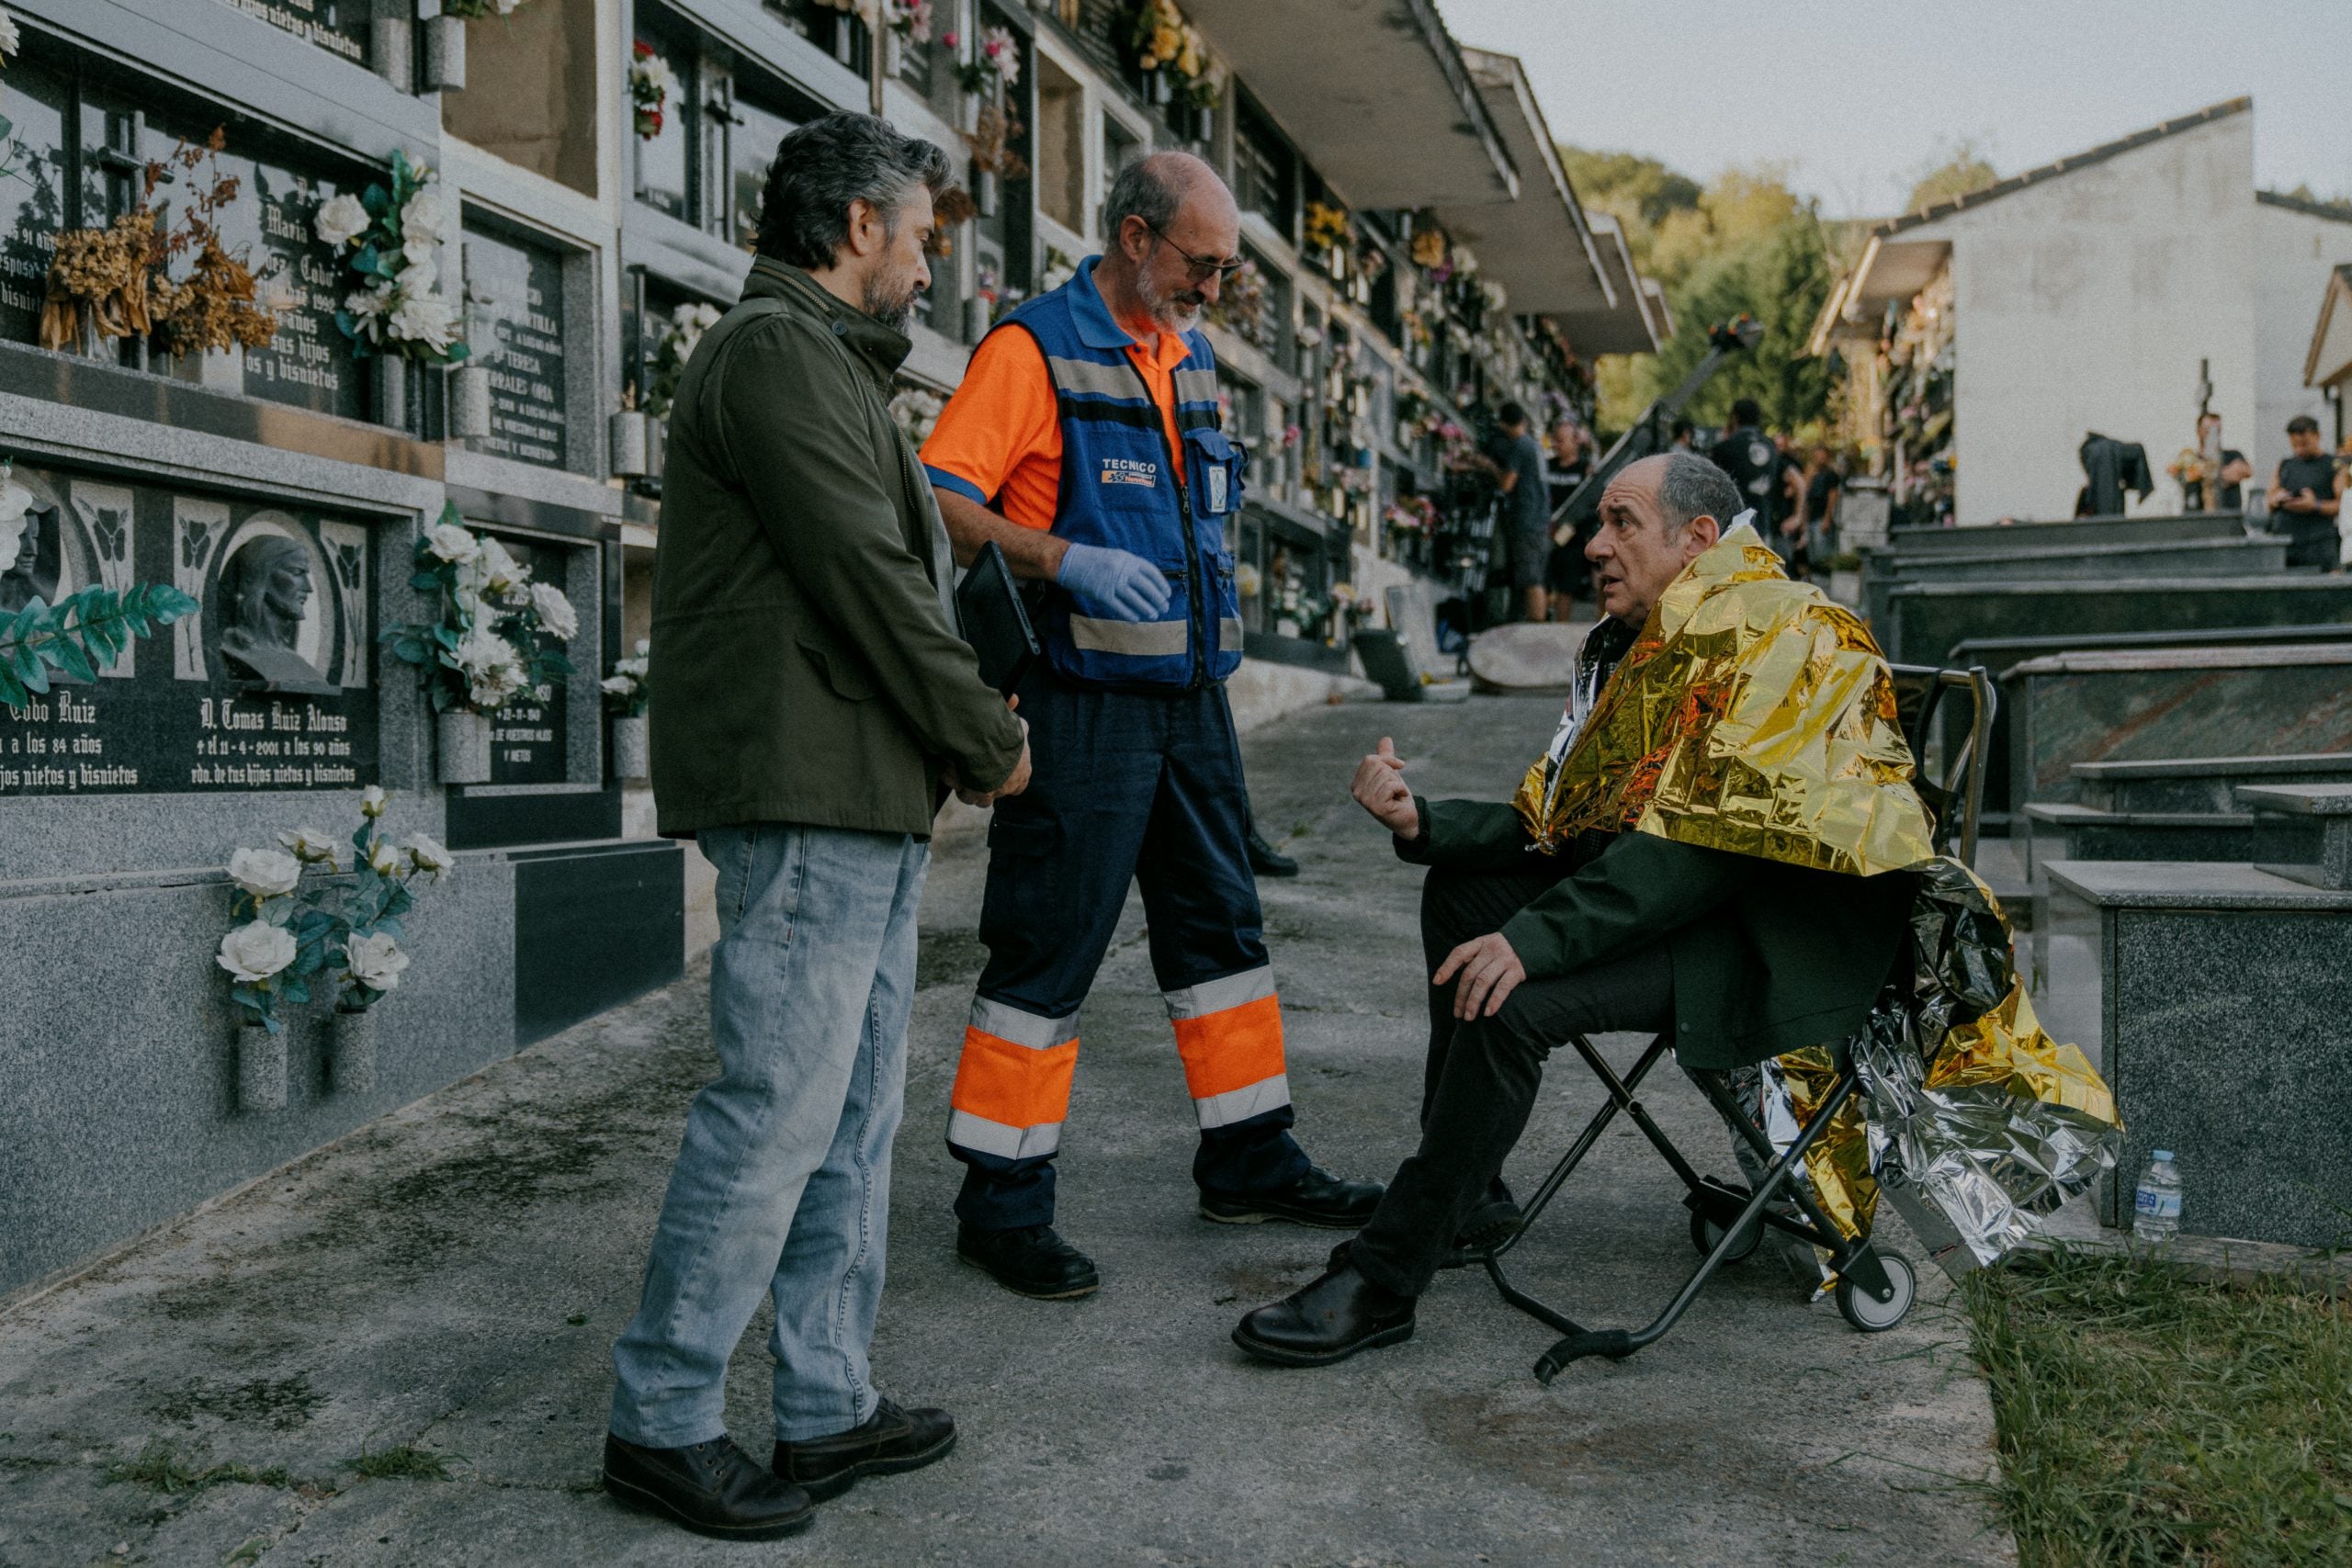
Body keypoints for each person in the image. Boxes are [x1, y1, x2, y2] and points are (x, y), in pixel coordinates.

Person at [1229, 451, 1935, 1367]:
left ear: (1698, 540)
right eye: (1598, 524)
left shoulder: (1784, 636)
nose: (1594, 546)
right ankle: (1469, 1195)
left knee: (1506, 992)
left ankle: (1385, 1275)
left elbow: (1692, 852)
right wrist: (1425, 821)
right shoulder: (1657, 639)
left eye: (1620, 522)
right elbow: (1570, 822)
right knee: (1464, 893)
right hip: (1696, 905)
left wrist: (1533, 942)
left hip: (1774, 941)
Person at [605, 112, 1033, 1541]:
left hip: (852, 783)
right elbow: (867, 572)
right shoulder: (777, 355)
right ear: (858, 227)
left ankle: (825, 1399)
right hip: (803, 789)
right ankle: (661, 1417)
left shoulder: (830, 364)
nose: (926, 262)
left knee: (851, 1113)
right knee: (778, 1108)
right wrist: (984, 733)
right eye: (917, 234)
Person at [918, 152, 1381, 1303]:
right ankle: (1002, 1203)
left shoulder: (1192, 360)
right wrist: (1060, 555)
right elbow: (938, 497)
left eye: (1224, 270)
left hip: (1188, 704)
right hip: (1077, 705)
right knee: (1047, 949)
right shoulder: (1031, 350)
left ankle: (1248, 1154)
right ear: (1134, 236)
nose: (1213, 289)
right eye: (1201, 263)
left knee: (1220, 934)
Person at [2267, 414, 2341, 570]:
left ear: (2317, 436)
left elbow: (2343, 505)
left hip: (2319, 545)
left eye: (2304, 444)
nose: (2299, 449)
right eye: (2295, 445)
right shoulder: (2285, 465)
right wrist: (2278, 499)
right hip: (2287, 544)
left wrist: (2315, 505)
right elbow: (2269, 500)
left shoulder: (2333, 466)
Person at [1708, 400, 1778, 549]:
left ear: (1734, 417)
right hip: (1764, 522)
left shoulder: (1726, 447)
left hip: (1733, 525)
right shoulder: (1771, 446)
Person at [1799, 445, 1842, 577]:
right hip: (1811, 517)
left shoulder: (1830, 475)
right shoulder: (1811, 474)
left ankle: (1825, 579)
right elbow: (1805, 495)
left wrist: (1827, 518)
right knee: (1812, 553)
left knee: (1823, 553)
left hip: (1821, 517)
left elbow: (1833, 496)